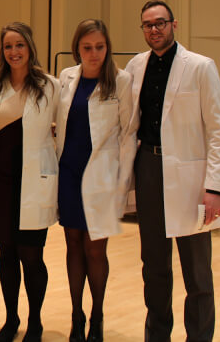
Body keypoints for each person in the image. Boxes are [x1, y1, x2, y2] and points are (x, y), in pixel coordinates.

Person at [125, 0, 220, 342]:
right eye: (147, 25)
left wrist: (215, 188)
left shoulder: (201, 67)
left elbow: (217, 131)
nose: (154, 30)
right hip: (149, 169)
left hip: (190, 176)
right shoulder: (135, 67)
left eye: (160, 23)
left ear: (174, 24)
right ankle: (157, 335)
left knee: (196, 269)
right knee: (154, 265)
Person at [56, 20, 137, 342]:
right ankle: (76, 316)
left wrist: (122, 185)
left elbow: (129, 135)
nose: (94, 54)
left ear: (108, 47)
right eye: (87, 47)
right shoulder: (66, 77)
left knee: (95, 250)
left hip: (102, 177)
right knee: (72, 245)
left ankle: (97, 315)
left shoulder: (121, 81)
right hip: (69, 174)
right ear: (77, 48)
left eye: (99, 47)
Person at [0, 22, 60, 342]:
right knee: (6, 254)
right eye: (8, 46)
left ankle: (36, 321)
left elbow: (62, 132)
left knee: (32, 255)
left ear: (30, 47)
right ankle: (11, 318)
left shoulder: (50, 85)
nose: (14, 52)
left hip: (33, 182)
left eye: (19, 45)